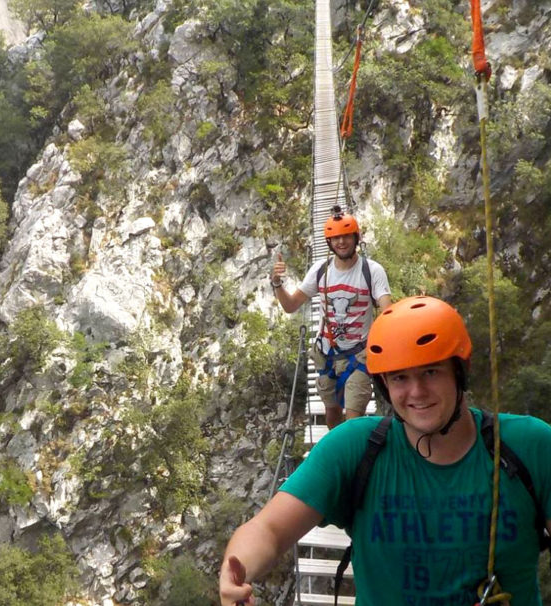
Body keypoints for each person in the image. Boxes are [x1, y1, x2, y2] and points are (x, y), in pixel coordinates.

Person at [219, 296, 551, 606]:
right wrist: (238, 569)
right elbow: (269, 529)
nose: (417, 392)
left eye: (431, 372)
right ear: (385, 386)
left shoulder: (528, 445)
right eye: (400, 378)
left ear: (458, 372)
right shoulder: (355, 448)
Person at [270, 206, 392, 428]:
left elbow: (387, 311)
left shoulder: (372, 271)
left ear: (357, 238)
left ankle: (352, 460)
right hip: (328, 353)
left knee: (353, 422)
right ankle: (338, 456)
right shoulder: (320, 270)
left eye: (346, 236)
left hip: (360, 355)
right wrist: (277, 283)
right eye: (335, 238)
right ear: (329, 242)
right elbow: (290, 306)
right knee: (332, 415)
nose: (341, 242)